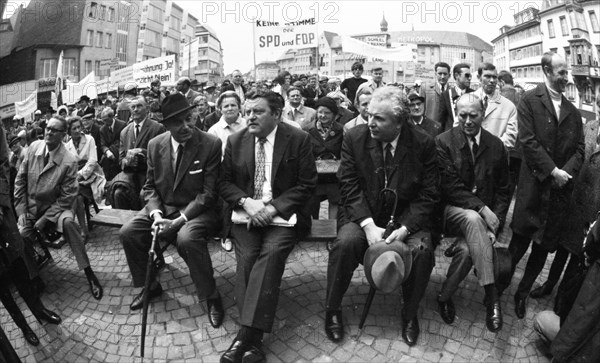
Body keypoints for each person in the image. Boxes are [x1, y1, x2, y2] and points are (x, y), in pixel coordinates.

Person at [325, 86, 439, 346]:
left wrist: (406, 228)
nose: (370, 122)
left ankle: (409, 313)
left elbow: (429, 193)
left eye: (379, 118)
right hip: (362, 215)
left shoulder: (423, 143)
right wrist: (367, 226)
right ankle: (332, 309)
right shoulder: (354, 137)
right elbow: (349, 185)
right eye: (369, 115)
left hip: (405, 218)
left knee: (422, 251)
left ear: (399, 122)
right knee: (345, 244)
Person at [219, 89, 317, 362]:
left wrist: (273, 207)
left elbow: (307, 185)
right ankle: (254, 342)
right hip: (246, 216)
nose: (249, 116)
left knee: (271, 254)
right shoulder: (236, 140)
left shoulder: (298, 139)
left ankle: (245, 337)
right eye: (248, 111)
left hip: (284, 218)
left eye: (257, 111)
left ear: (276, 114)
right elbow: (224, 183)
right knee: (248, 257)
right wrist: (246, 203)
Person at [120, 94, 225, 330]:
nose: (186, 126)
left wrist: (179, 220)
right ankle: (151, 286)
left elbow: (208, 194)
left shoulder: (210, 143)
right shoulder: (155, 144)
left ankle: (211, 295)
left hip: (197, 212)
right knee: (129, 232)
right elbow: (149, 187)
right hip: (163, 209)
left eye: (189, 118)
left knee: (187, 239)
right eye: (178, 122)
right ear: (166, 125)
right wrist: (156, 215)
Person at [502, 52, 584, 320]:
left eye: (566, 72)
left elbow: (580, 150)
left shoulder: (572, 111)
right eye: (561, 72)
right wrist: (553, 171)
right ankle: (498, 290)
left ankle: (521, 294)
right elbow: (527, 141)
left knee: (540, 252)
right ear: (547, 71)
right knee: (517, 247)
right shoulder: (529, 100)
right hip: (534, 190)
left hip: (557, 195)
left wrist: (564, 174)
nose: (566, 77)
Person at [435, 94, 510, 332]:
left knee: (469, 251)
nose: (467, 121)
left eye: (473, 115)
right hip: (449, 213)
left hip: (481, 223)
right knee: (471, 216)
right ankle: (492, 296)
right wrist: (482, 208)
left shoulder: (496, 145)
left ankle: (444, 297)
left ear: (484, 112)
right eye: (462, 115)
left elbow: (504, 189)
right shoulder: (443, 142)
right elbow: (449, 186)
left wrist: (493, 227)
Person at [15, 116, 103, 300]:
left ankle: (89, 273)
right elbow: (20, 181)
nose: (48, 132)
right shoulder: (33, 148)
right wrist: (22, 211)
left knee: (70, 224)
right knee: (21, 236)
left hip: (56, 209)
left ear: (63, 135)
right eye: (47, 128)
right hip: (31, 208)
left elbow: (66, 197)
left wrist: (45, 219)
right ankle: (35, 276)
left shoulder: (69, 160)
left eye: (54, 130)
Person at [1, 124, 60, 345]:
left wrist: (0, 204)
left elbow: (2, 167)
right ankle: (23, 327)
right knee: (2, 288)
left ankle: (40, 311)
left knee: (20, 271)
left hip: (1, 219)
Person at [112, 96, 165, 210]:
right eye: (133, 107)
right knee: (118, 194)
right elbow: (121, 161)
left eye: (139, 106)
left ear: (147, 108)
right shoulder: (125, 132)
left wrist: (142, 151)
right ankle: (124, 225)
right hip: (130, 177)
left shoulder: (157, 128)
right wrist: (127, 161)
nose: (135, 109)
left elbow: (162, 156)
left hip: (150, 175)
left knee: (143, 195)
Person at [64, 116, 106, 241]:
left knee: (74, 192)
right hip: (77, 179)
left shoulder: (89, 139)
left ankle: (77, 228)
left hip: (92, 175)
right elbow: (69, 166)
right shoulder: (67, 146)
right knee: (77, 197)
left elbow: (93, 160)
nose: (77, 130)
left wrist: (80, 174)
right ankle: (83, 228)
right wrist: (75, 176)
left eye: (79, 127)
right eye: (74, 128)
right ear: (69, 131)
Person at [306, 97, 344, 220]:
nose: (323, 115)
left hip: (334, 176)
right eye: (320, 112)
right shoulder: (307, 130)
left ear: (334, 114)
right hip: (314, 175)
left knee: (335, 203)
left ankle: (333, 230)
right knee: (313, 204)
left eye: (327, 113)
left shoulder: (341, 130)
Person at [438, 63, 475, 132]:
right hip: (451, 136)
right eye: (466, 75)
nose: (469, 78)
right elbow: (441, 120)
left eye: (470, 76)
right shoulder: (446, 95)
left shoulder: (474, 94)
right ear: (456, 75)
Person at [99, 107, 126, 181]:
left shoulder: (122, 125)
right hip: (109, 155)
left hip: (120, 153)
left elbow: (122, 142)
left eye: (106, 120)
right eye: (103, 120)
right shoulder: (102, 129)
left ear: (112, 117)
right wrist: (108, 152)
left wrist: (111, 150)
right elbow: (103, 144)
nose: (104, 122)